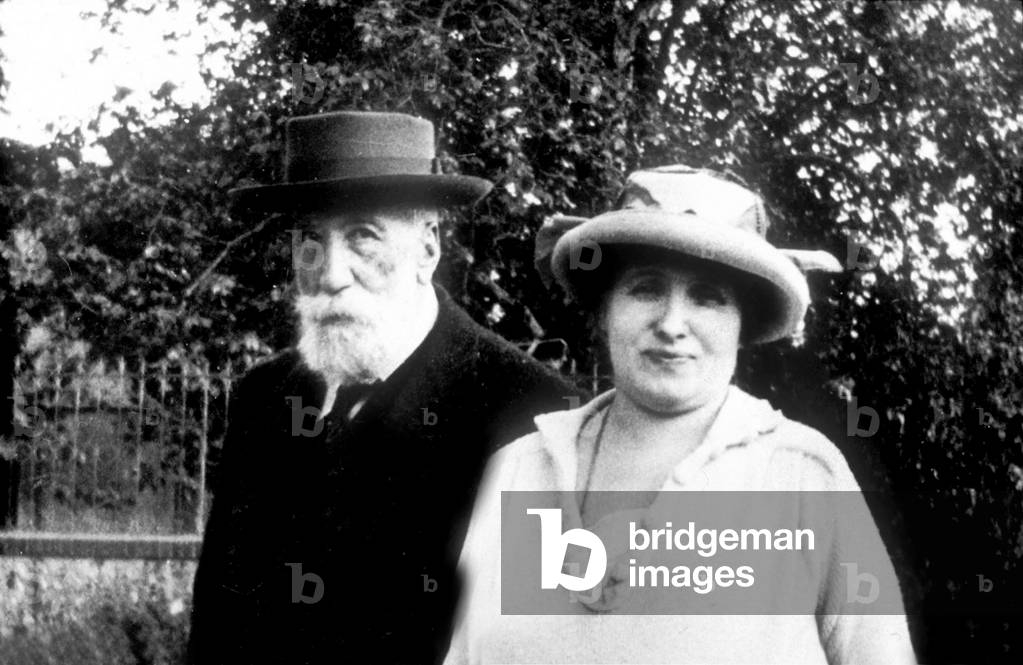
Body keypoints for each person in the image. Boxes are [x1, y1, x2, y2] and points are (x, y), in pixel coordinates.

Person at [445, 165, 917, 664]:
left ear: (742, 323)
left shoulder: (798, 473)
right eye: (646, 288)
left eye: (707, 298)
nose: (672, 324)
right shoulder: (521, 469)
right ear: (605, 307)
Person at [187, 111, 585, 665]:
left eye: (363, 236)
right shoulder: (263, 396)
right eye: (310, 241)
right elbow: (216, 626)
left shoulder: (529, 408)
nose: (330, 273)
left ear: (428, 249)